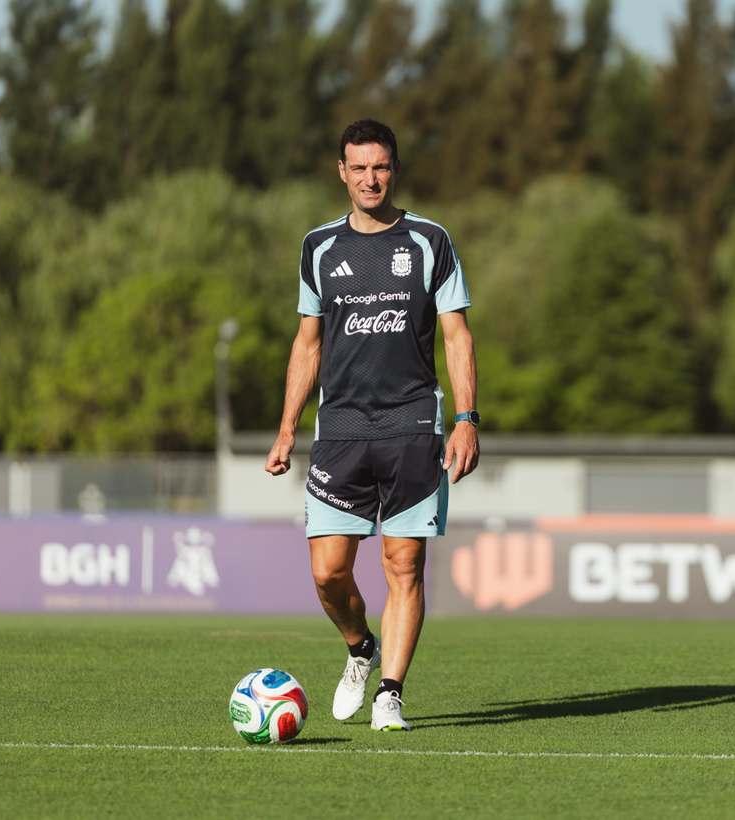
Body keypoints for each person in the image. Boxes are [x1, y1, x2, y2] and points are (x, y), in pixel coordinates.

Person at [265, 119, 479, 731]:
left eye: (380, 166)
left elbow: (457, 334)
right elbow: (308, 347)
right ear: (341, 172)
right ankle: (361, 648)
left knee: (402, 565)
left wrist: (466, 418)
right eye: (358, 168)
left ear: (396, 168)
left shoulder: (431, 241)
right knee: (328, 572)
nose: (370, 179)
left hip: (414, 424)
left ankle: (391, 692)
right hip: (339, 430)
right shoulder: (318, 247)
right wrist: (286, 429)